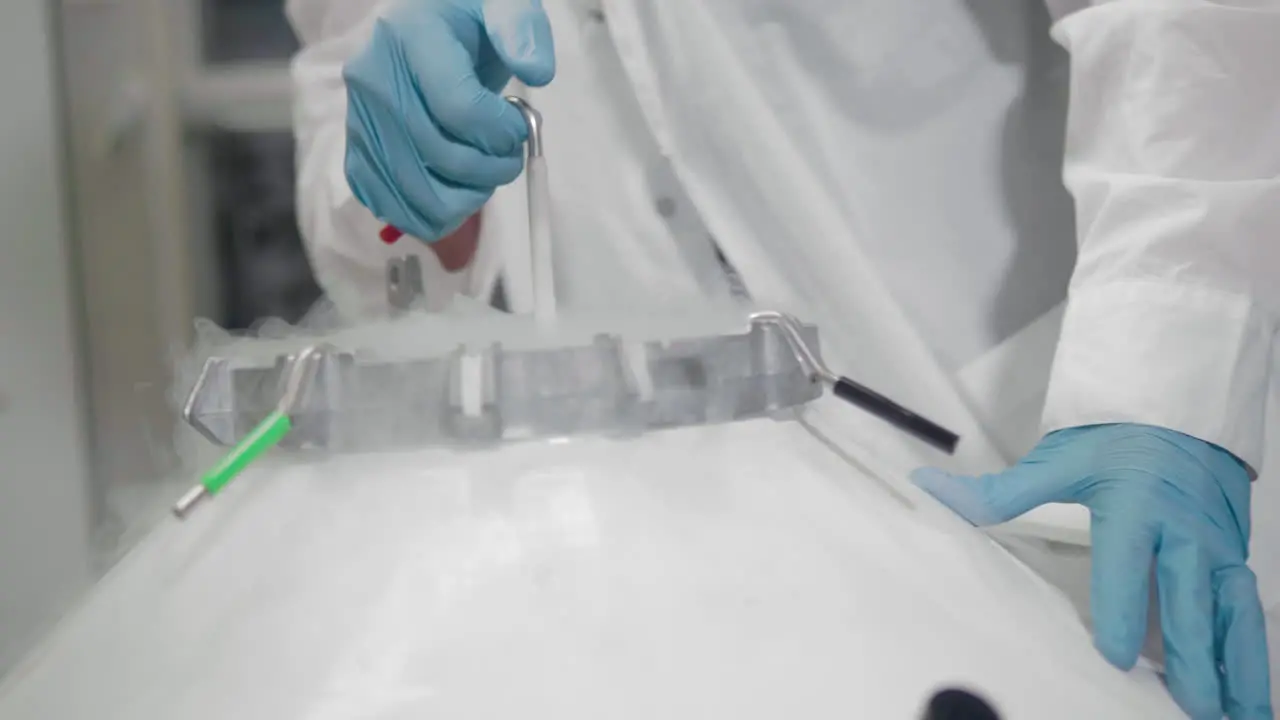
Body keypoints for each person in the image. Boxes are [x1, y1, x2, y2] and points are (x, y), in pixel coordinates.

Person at [285, 1, 1280, 717]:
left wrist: (1165, 351)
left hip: (1048, 416)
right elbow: (349, 120)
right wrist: (409, 180)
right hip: (671, 527)